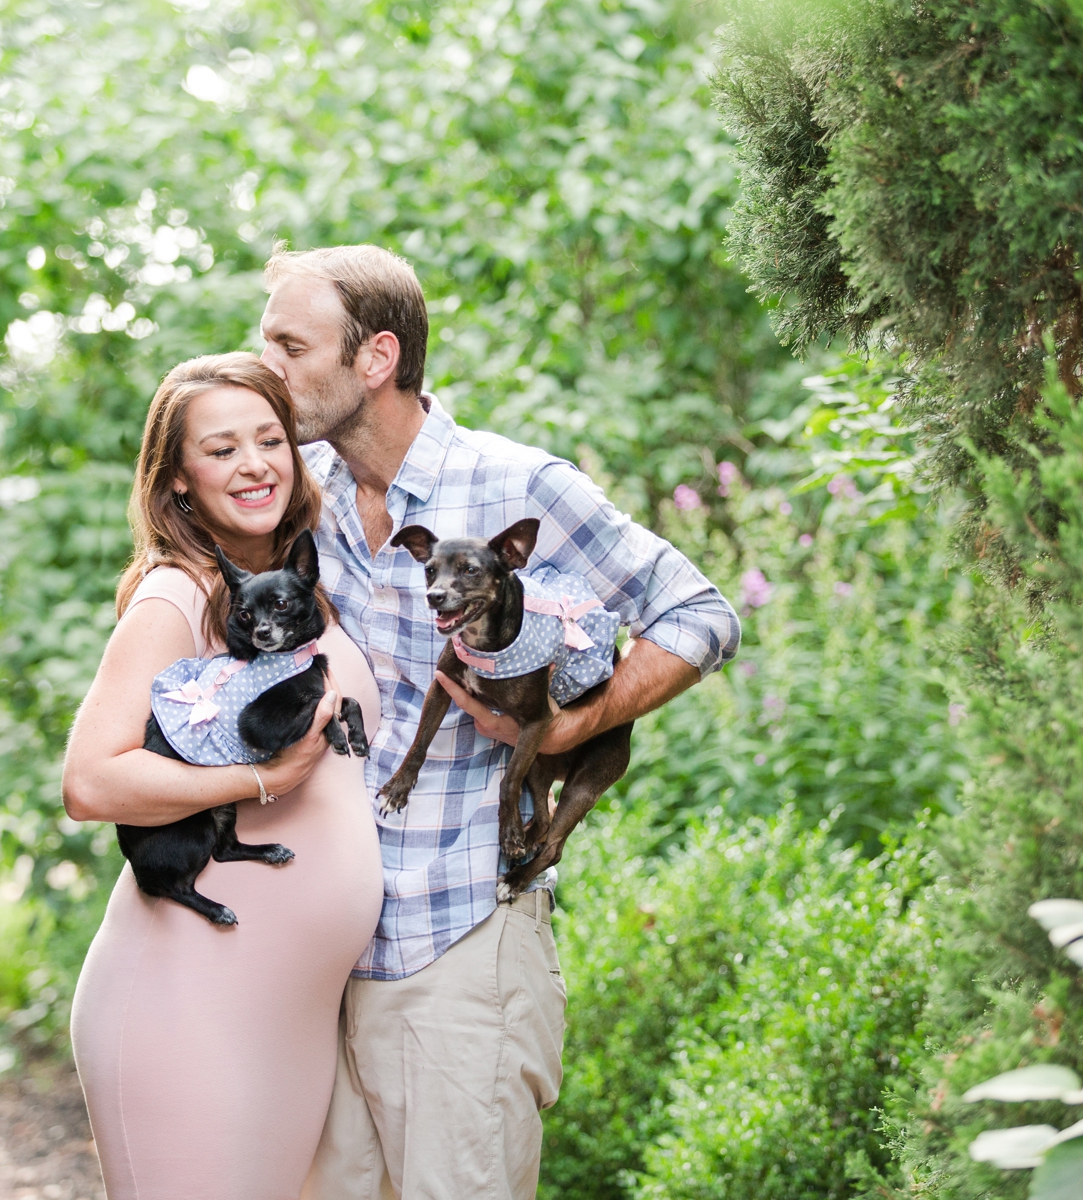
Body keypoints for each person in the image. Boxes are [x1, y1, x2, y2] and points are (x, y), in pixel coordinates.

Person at [260, 245, 741, 1199]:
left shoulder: (520, 487)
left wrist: (570, 725)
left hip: (457, 940)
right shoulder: (297, 485)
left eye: (288, 344)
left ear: (375, 359)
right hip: (319, 950)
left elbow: (701, 615)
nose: (265, 366)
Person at [61, 353, 384, 1200]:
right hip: (189, 999)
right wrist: (260, 781)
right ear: (178, 483)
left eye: (270, 439)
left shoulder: (292, 593)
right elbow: (91, 781)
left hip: (286, 1015)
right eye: (222, 449)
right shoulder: (177, 596)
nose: (254, 465)